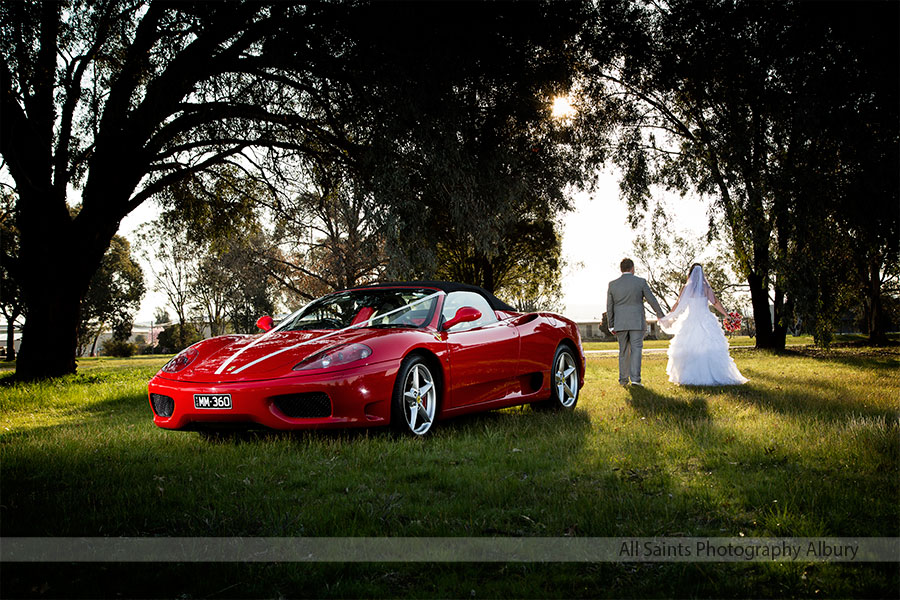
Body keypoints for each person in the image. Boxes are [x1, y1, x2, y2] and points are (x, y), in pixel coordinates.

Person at [658, 264, 748, 386]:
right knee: (708, 346)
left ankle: (688, 376)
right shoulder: (706, 288)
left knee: (689, 347)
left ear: (690, 274)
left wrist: (667, 317)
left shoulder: (685, 288)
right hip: (706, 319)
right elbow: (715, 302)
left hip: (690, 319)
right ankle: (711, 375)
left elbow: (677, 305)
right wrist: (726, 314)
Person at [607, 258, 666, 387]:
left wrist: (611, 324)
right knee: (636, 350)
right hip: (637, 322)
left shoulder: (612, 285)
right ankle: (635, 380)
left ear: (621, 269)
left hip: (620, 323)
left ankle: (623, 380)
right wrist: (660, 314)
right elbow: (652, 299)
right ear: (632, 268)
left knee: (623, 351)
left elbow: (609, 306)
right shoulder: (640, 282)